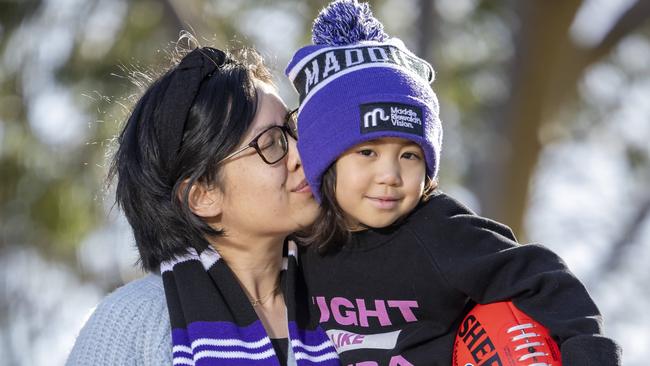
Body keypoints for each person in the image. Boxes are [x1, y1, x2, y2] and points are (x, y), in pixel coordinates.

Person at [284, 1, 622, 365]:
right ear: (322, 159)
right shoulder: (295, 242)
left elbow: (543, 277)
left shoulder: (438, 230)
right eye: (367, 152)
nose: (390, 175)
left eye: (409, 156)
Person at [67, 43, 339, 366]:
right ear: (202, 195)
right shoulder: (135, 322)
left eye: (292, 129)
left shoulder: (351, 301)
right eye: (271, 143)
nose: (300, 154)